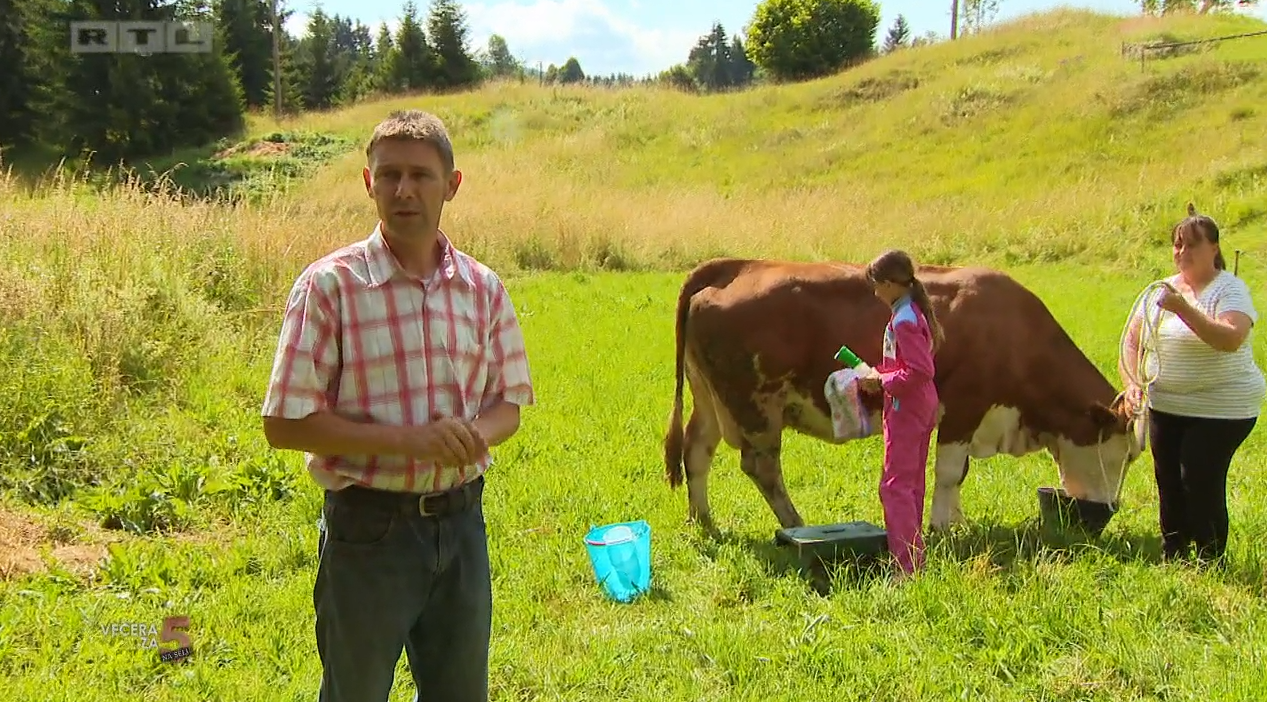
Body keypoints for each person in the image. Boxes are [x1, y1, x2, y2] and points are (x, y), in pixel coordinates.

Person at [260, 109, 535, 702]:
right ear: (367, 183)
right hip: (368, 530)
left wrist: (473, 433)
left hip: (462, 527)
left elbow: (508, 403)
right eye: (388, 176)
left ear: (452, 185)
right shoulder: (329, 286)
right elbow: (284, 423)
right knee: (355, 691)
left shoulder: (482, 288)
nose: (403, 190)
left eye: (420, 175)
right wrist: (407, 442)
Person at [1121, 204, 1263, 566]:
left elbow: (1231, 338)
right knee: (1167, 479)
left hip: (1222, 408)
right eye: (1177, 245)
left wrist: (1183, 309)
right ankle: (1174, 554)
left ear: (1214, 248)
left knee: (1198, 475)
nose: (1182, 252)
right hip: (1167, 404)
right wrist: (1133, 381)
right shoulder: (1159, 289)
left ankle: (1209, 557)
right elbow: (1132, 341)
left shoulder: (1229, 291)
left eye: (1191, 245)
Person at [856, 249, 944, 579]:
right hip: (919, 404)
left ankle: (905, 567)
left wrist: (883, 381)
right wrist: (880, 373)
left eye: (877, 286)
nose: (876, 294)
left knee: (894, 487)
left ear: (892, 284)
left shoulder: (904, 319)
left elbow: (921, 370)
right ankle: (912, 556)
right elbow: (907, 364)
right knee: (911, 484)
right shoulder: (910, 311)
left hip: (906, 407)